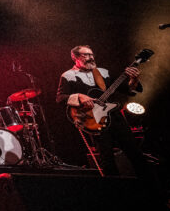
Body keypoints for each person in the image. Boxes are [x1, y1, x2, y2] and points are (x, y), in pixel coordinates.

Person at [56, 45, 148, 177]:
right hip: (95, 120)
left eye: (91, 54)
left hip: (115, 117)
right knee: (107, 160)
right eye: (85, 55)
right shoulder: (68, 75)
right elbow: (60, 98)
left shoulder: (104, 72)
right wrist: (79, 97)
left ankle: (151, 190)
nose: (90, 58)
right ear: (74, 57)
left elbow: (128, 89)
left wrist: (134, 79)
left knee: (136, 154)